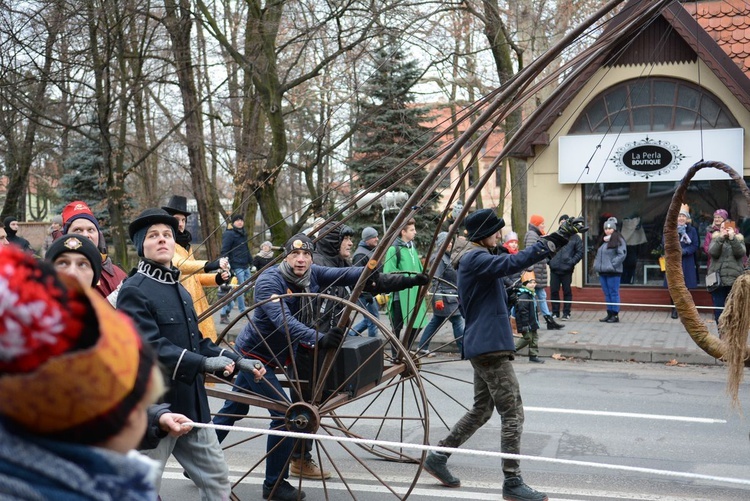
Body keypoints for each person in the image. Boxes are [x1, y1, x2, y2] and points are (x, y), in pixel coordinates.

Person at [213, 232, 428, 501]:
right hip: (255, 357)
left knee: (235, 407)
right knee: (283, 416)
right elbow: (284, 322)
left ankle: (200, 459)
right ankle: (274, 486)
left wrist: (402, 279)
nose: (301, 260)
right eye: (295, 254)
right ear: (286, 256)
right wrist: (319, 338)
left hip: (281, 355)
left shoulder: (313, 273)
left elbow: (355, 275)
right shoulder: (270, 281)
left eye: (306, 255)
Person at [423, 208, 585, 501]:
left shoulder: (477, 257)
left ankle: (437, 456)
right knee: (513, 414)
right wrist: (556, 239)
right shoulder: (475, 258)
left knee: (482, 410)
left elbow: (494, 285)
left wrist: (509, 295)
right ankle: (512, 482)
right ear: (484, 234)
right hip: (489, 347)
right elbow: (515, 261)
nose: (499, 234)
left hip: (484, 343)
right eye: (496, 230)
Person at [116, 208, 265, 501]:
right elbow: (148, 346)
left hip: (192, 408)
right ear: (141, 246)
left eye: (168, 235)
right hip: (154, 412)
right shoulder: (134, 290)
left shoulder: (180, 289)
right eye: (153, 236)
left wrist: (237, 360)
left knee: (218, 482)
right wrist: (203, 363)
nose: (162, 240)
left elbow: (197, 341)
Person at [0, 245, 162, 501]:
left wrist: (155, 416)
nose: (72, 272)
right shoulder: (28, 330)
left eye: (82, 264)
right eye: (62, 263)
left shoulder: (108, 323)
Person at [162, 195, 229, 342]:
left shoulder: (186, 245)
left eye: (183, 220)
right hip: (180, 305)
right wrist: (209, 264)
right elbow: (179, 265)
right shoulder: (166, 244)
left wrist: (217, 278)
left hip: (198, 304)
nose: (180, 224)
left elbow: (195, 277)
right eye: (176, 219)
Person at [61, 200, 128, 299]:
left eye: (90, 230)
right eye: (78, 230)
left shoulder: (118, 275)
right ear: (65, 236)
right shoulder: (53, 276)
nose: (85, 235)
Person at [383, 218, 429, 351]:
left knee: (418, 323)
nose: (415, 232)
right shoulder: (394, 250)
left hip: (415, 293)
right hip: (400, 295)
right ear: (403, 232)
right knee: (397, 328)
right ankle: (395, 355)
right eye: (412, 230)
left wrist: (424, 285)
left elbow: (419, 269)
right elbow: (389, 273)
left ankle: (405, 349)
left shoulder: (412, 248)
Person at [417, 231, 465, 356]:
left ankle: (422, 347)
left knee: (436, 321)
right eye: (446, 242)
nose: (450, 244)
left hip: (450, 296)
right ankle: (464, 350)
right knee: (458, 321)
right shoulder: (438, 258)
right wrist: (438, 298)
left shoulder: (447, 256)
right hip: (444, 296)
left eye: (450, 241)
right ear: (440, 244)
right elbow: (436, 279)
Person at [523, 214, 564, 330]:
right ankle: (536, 320)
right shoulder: (532, 235)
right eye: (542, 223)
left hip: (538, 271)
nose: (544, 225)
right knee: (534, 296)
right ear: (536, 224)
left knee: (541, 295)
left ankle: (548, 319)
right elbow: (530, 253)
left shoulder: (537, 234)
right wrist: (530, 271)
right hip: (534, 272)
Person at [707, 219, 746, 325]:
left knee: (734, 311)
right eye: (723, 227)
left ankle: (732, 336)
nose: (725, 229)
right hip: (718, 282)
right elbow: (713, 253)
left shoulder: (739, 239)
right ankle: (722, 336)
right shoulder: (715, 238)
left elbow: (740, 253)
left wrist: (732, 239)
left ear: (733, 228)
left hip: (734, 281)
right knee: (719, 310)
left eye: (728, 227)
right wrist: (721, 238)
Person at [664, 206, 699, 319]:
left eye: (683, 216)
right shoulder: (670, 228)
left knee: (685, 287)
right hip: (673, 261)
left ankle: (684, 310)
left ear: (687, 218)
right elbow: (664, 242)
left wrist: (684, 251)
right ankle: (674, 309)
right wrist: (675, 251)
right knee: (673, 286)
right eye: (679, 215)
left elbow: (695, 245)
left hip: (687, 261)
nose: (681, 218)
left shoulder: (692, 230)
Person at [548, 215, 584, 320]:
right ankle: (555, 312)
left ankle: (566, 313)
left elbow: (579, 252)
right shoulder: (555, 235)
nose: (563, 224)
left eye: (565, 222)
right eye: (561, 222)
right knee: (554, 291)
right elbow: (548, 248)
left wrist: (571, 262)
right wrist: (549, 261)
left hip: (567, 269)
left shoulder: (575, 237)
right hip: (554, 268)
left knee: (567, 291)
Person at [594, 217, 627, 323]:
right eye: (606, 228)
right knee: (607, 293)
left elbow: (622, 254)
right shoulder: (603, 241)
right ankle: (609, 313)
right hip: (603, 271)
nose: (608, 230)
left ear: (614, 229)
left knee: (613, 292)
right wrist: (596, 265)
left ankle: (615, 314)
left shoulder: (618, 240)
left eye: (610, 228)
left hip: (613, 272)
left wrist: (613, 265)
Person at [352, 226, 382, 337]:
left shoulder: (369, 252)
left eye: (377, 236)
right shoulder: (361, 255)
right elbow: (357, 278)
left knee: (370, 319)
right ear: (367, 239)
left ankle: (350, 335)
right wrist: (366, 293)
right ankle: (373, 346)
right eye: (374, 237)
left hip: (370, 293)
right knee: (373, 321)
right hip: (365, 295)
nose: (377, 239)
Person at [221, 214, 252, 314]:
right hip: (236, 266)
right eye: (237, 220)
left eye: (241, 220)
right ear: (233, 222)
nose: (240, 222)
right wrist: (227, 266)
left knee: (248, 287)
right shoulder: (229, 234)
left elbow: (246, 249)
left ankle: (227, 308)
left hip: (245, 265)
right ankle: (242, 311)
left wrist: (251, 262)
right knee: (240, 289)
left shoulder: (243, 233)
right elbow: (224, 250)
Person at [514, 271, 544, 363]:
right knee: (527, 338)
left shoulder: (531, 294)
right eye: (530, 283)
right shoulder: (524, 295)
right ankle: (511, 351)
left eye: (534, 282)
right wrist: (525, 324)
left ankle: (533, 355)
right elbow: (523, 311)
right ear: (525, 284)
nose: (533, 285)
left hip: (533, 321)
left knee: (534, 338)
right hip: (526, 322)